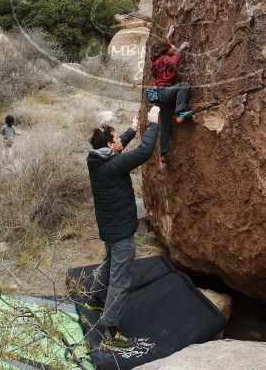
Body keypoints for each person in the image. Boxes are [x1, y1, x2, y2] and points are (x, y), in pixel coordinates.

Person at [85, 106, 160, 349]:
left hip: (109, 227)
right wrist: (154, 124)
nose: (119, 141)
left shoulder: (97, 159)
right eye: (116, 138)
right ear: (109, 145)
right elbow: (145, 151)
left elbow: (118, 148)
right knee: (120, 280)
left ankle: (95, 299)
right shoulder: (114, 165)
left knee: (109, 262)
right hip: (121, 233)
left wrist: (131, 128)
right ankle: (112, 332)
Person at [150, 25, 193, 164]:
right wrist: (181, 48)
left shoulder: (156, 60)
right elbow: (173, 61)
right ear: (165, 51)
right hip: (165, 91)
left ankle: (163, 154)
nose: (172, 47)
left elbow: (165, 47)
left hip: (161, 96)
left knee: (165, 125)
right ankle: (180, 112)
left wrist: (169, 35)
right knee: (183, 86)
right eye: (170, 47)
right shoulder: (164, 59)